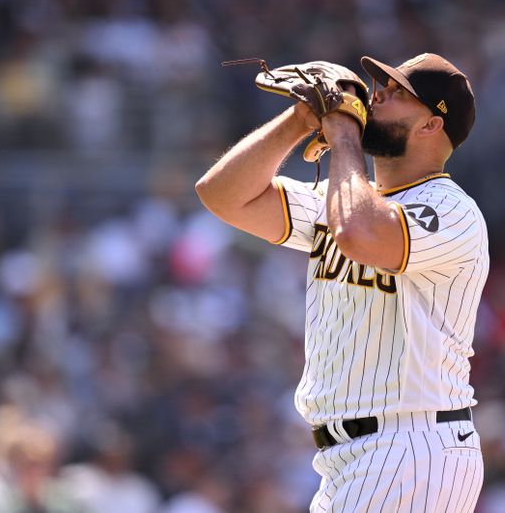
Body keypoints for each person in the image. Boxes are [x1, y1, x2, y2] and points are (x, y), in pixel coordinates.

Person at [196, 53, 489, 512]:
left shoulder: (451, 209)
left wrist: (344, 134)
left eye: (397, 93)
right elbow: (221, 194)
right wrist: (299, 120)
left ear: (432, 125)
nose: (377, 94)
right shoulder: (339, 201)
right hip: (352, 457)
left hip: (411, 446)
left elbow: (358, 232)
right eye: (380, 85)